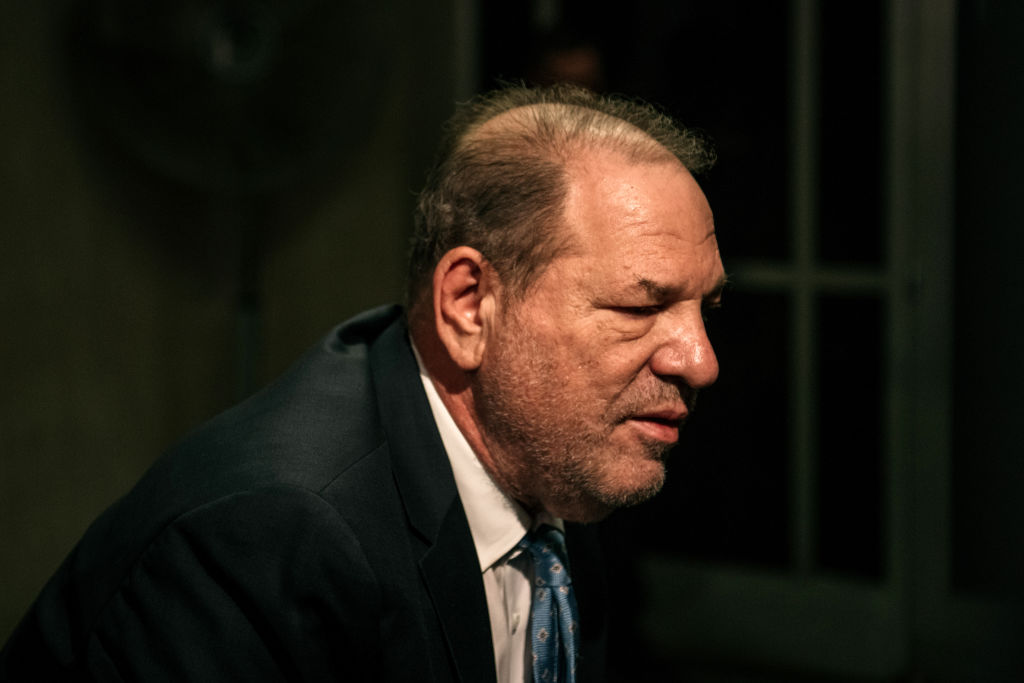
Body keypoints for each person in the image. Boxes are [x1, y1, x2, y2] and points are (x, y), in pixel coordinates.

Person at [0, 83, 725, 682]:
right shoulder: (268, 537)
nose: (700, 360)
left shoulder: (562, 464)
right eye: (641, 307)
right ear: (469, 304)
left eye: (707, 309)